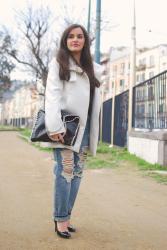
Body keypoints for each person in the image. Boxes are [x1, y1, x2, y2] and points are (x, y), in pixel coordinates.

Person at [44, 24, 102, 239]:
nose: (75, 39)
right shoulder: (58, 63)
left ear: (85, 41)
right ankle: (60, 219)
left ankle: (66, 216)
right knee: (65, 171)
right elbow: (52, 95)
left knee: (76, 174)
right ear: (65, 40)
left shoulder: (93, 68)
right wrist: (54, 126)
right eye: (71, 36)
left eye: (79, 36)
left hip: (84, 129)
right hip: (65, 128)